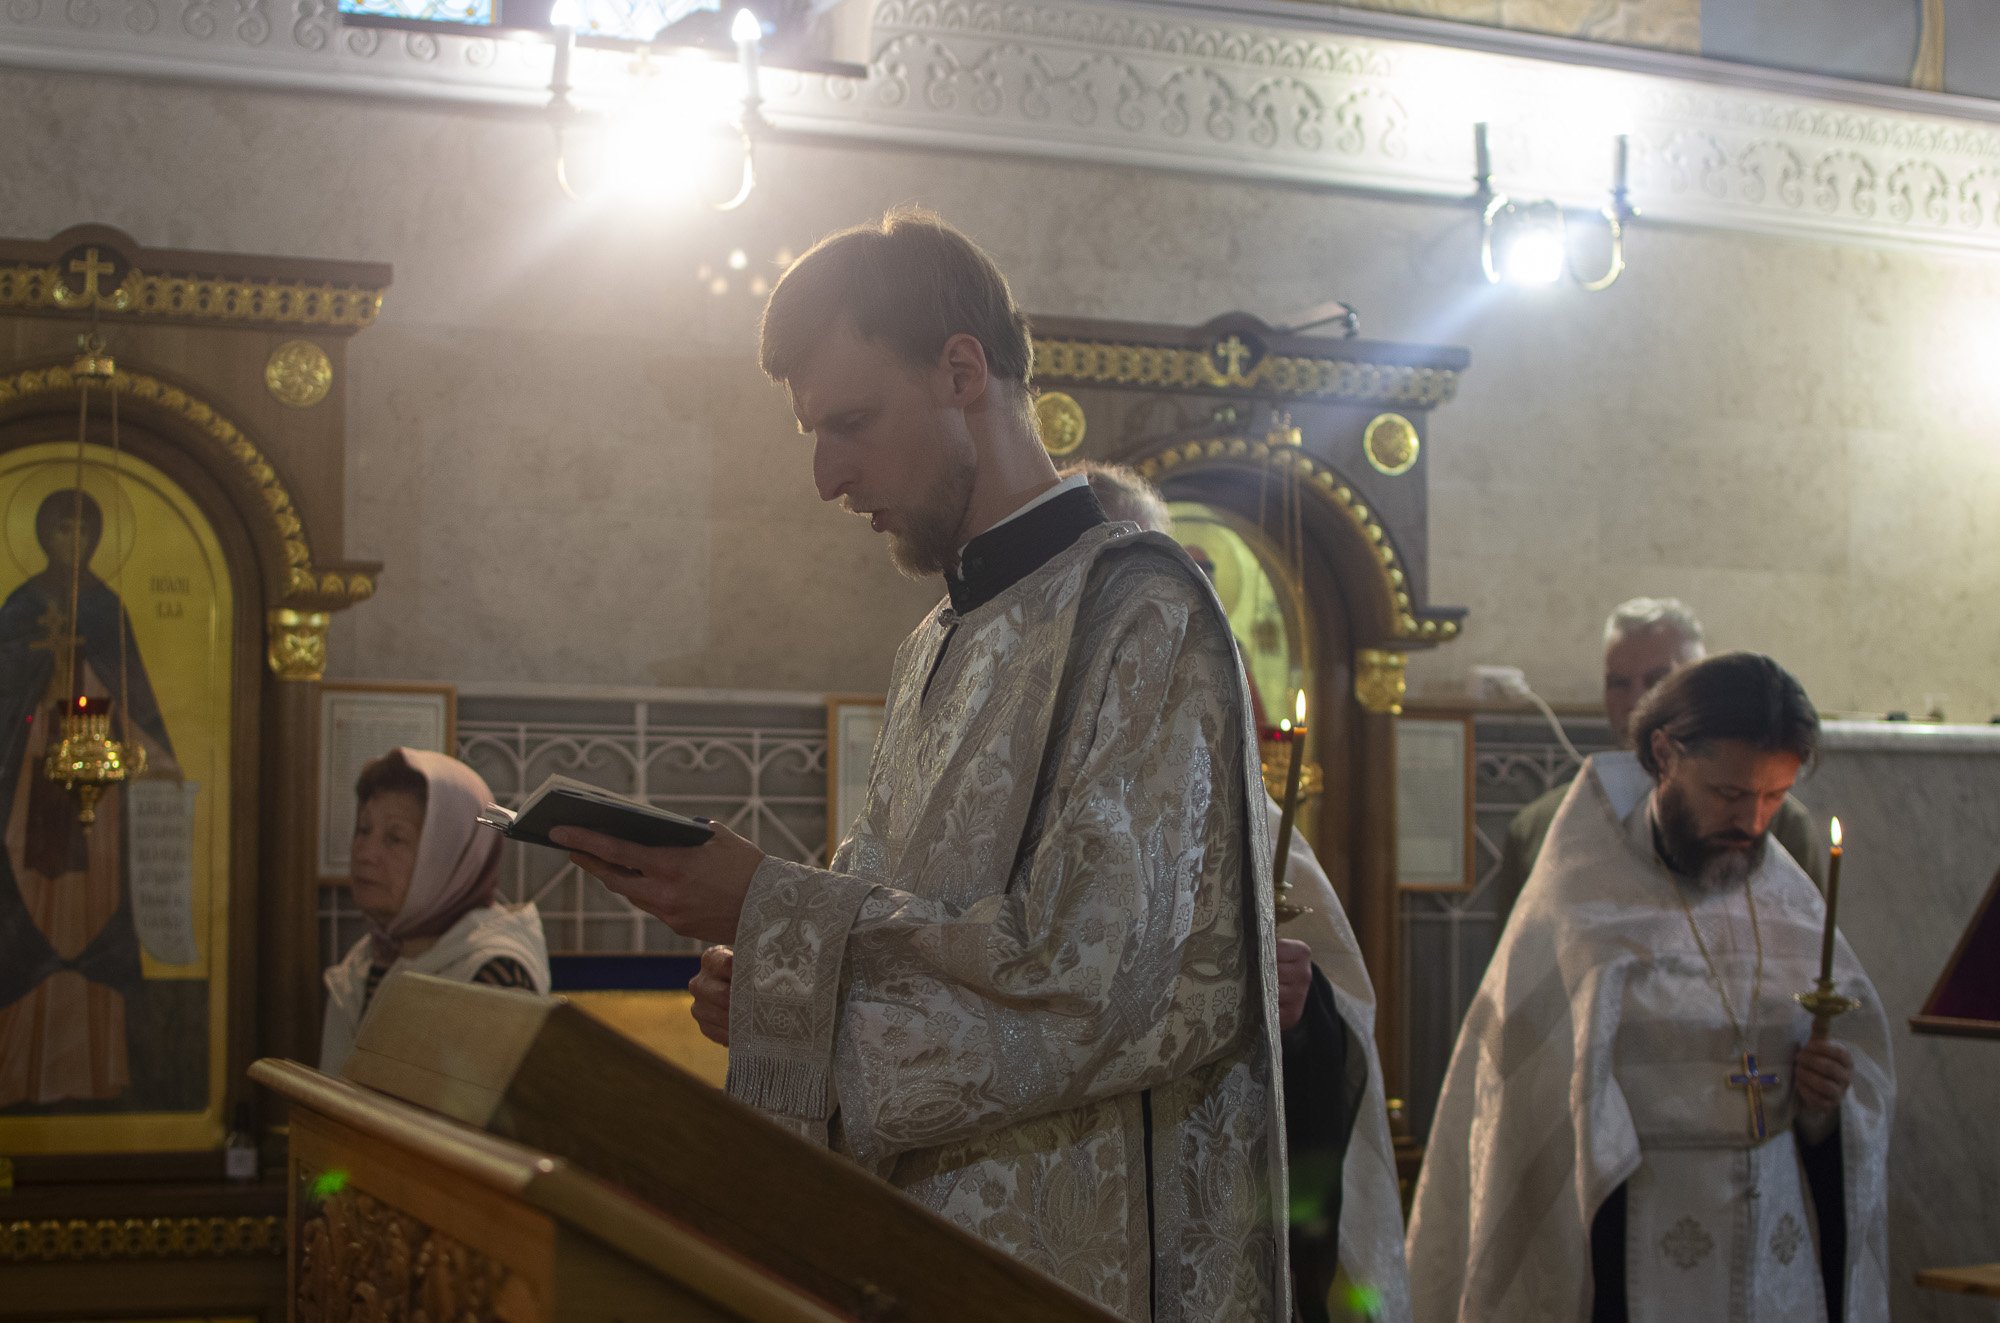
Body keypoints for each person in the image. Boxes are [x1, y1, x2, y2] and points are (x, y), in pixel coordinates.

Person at [553, 210, 1288, 1321]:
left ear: (960, 372)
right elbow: (891, 911)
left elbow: (1105, 984)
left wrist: (768, 903)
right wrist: (772, 981)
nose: (825, 476)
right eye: (815, 432)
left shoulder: (1140, 610)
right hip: (918, 1258)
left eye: (850, 422)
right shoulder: (933, 643)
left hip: (1085, 1273)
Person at [1407, 653, 1893, 1323]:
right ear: (1664, 753)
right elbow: (1530, 1118)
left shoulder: (1789, 904)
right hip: (1635, 1256)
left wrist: (1823, 1104)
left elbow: (1849, 1101)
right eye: (1728, 793)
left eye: (1773, 796)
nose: (1753, 821)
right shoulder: (1580, 898)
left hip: (1779, 1256)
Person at [1069, 460, 1410, 1323]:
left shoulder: (1237, 806)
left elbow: (1340, 1033)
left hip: (1205, 1214)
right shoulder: (988, 793)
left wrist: (1300, 1012)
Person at [1494, 598, 1825, 925]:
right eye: (1619, 683)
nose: (1635, 702)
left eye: (1657, 681)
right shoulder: (1541, 828)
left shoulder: (1783, 828)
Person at [0, 490, 176, 1105]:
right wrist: (34, 665)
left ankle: (98, 1071)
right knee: (27, 903)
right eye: (61, 528)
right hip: (29, 784)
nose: (72, 541)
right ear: (42, 534)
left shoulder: (107, 608)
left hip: (99, 791)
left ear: (98, 538)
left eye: (83, 529)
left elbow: (134, 694)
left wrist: (157, 755)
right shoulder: (22, 605)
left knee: (95, 906)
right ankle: (17, 1070)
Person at [319, 748, 551, 1075]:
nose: (365, 853)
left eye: (395, 838)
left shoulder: (493, 977)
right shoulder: (369, 957)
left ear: (448, 857)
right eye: (364, 829)